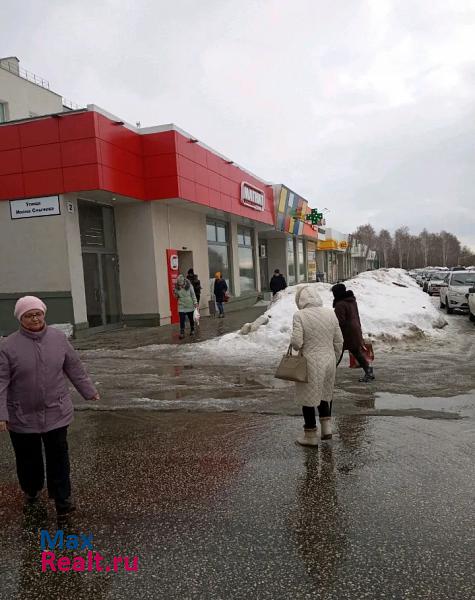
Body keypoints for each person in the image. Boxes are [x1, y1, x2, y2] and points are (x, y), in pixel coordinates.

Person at [0, 296, 99, 515]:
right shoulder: (8, 346)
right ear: (20, 318)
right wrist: (2, 414)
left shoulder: (58, 338)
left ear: (44, 314)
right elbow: (1, 382)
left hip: (56, 409)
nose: (34, 318)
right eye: (29, 315)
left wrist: (88, 391)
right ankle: (32, 489)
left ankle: (62, 498)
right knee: (28, 458)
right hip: (22, 414)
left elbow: (74, 366)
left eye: (38, 314)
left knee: (59, 456)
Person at [290, 285, 343, 446]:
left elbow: (297, 343)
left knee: (308, 398)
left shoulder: (299, 316)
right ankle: (326, 429)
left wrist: (294, 340)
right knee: (324, 394)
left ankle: (310, 436)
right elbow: (339, 341)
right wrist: (335, 358)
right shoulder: (330, 313)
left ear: (301, 300)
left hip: (310, 362)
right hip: (329, 361)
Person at [331, 283, 375, 383]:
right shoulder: (351, 301)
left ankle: (329, 374)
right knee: (356, 352)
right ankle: (369, 371)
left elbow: (340, 321)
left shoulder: (340, 304)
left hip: (345, 333)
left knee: (337, 354)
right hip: (354, 331)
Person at [174, 274, 198, 338]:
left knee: (191, 319)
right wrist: (175, 293)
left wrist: (195, 302)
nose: (180, 285)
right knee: (182, 320)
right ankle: (182, 332)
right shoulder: (177, 287)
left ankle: (192, 329)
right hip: (181, 306)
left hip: (189, 305)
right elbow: (176, 297)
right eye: (179, 284)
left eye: (181, 284)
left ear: (184, 281)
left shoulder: (189, 286)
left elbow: (193, 295)